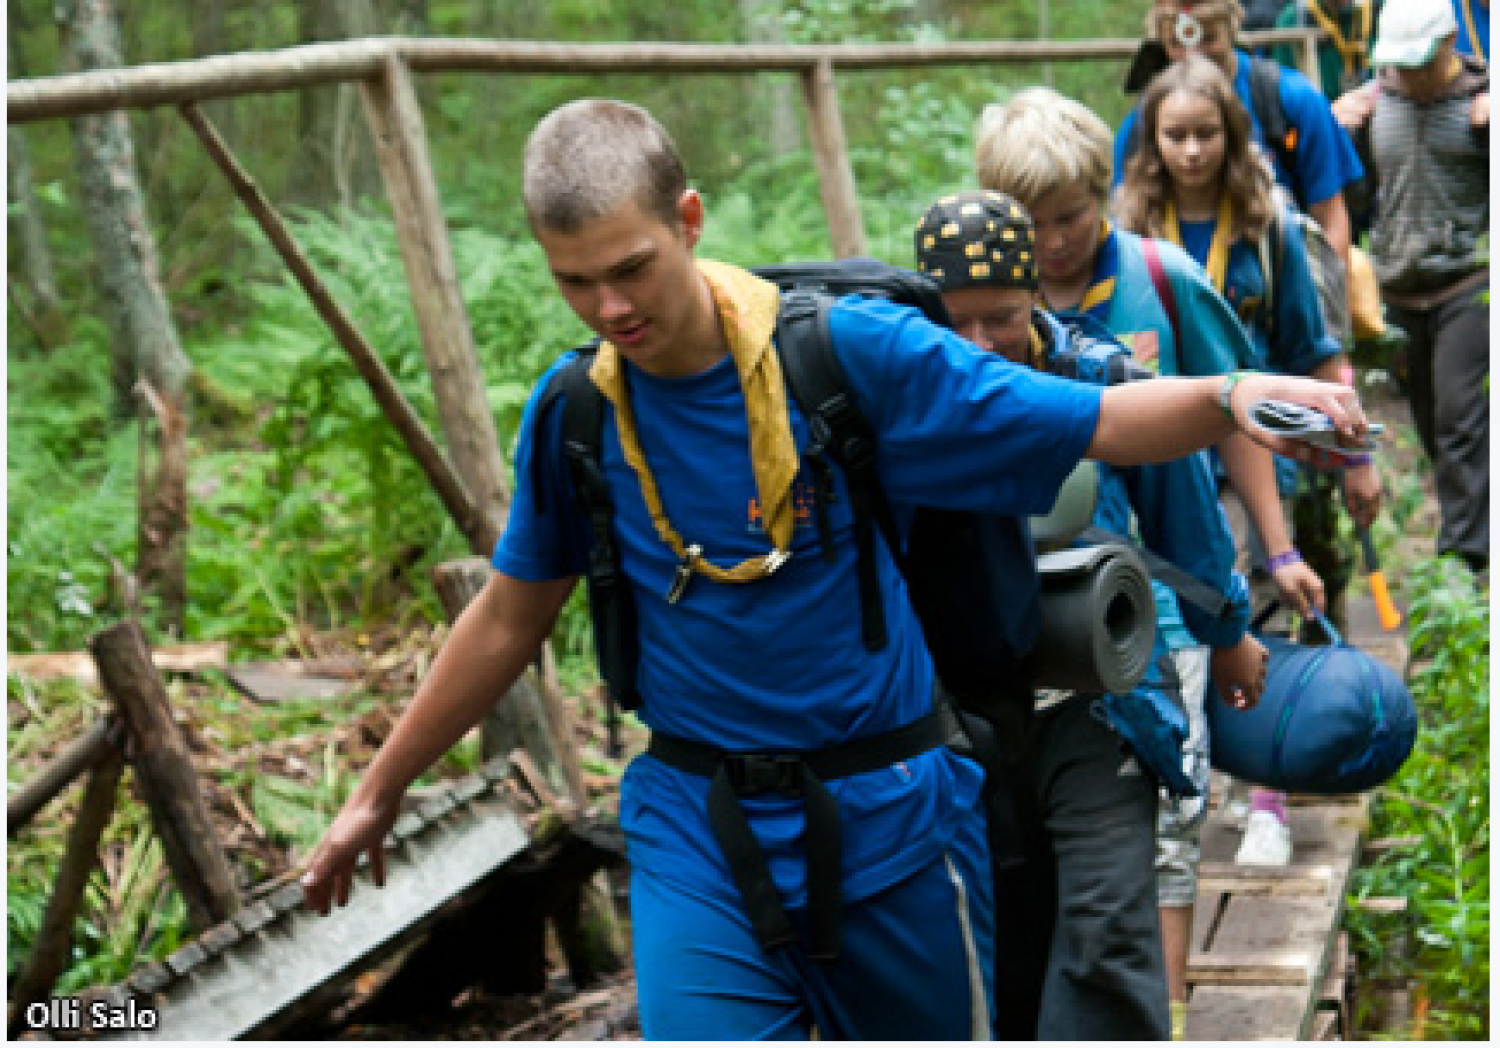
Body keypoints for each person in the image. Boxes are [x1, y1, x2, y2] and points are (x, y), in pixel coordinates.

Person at [299, 98, 1369, 1041]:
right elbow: (507, 614)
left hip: (893, 809)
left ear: (688, 221)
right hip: (698, 820)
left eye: (631, 270)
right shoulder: (577, 412)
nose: (611, 309)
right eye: (575, 282)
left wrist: (1232, 397)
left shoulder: (849, 357)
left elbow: (1091, 416)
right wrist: (378, 792)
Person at [914, 189, 1268, 1041]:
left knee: (1109, 928)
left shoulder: (1096, 376)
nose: (980, 345)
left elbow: (1184, 506)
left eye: (1001, 317)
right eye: (955, 321)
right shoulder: (908, 393)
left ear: (1035, 294)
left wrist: (1227, 633)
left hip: (1099, 701)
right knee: (1005, 938)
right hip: (960, 717)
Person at [1113, 53, 1387, 1020]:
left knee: (1275, 602)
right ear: (1149, 145)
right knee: (1197, 609)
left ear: (1232, 139)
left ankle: (1266, 795)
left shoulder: (1269, 231)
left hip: (1281, 445)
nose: (1189, 151)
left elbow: (1314, 342)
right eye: (1172, 136)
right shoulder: (1126, 236)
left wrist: (1350, 450)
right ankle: (1198, 779)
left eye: (1206, 135)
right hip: (1168, 456)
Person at [976, 87, 1325, 621]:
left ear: (1100, 192)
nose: (1052, 242)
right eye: (1031, 224)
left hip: (1166, 586)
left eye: (1069, 217)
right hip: (1034, 584)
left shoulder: (1163, 277)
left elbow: (1234, 410)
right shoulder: (986, 309)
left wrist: (1278, 550)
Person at [1333, 0, 1489, 576]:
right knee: (1429, 423)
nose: (1411, 77)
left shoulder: (1484, 99)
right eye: (1401, 65)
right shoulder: (1376, 104)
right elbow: (1350, 203)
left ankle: (1463, 568)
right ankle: (1465, 529)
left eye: (1421, 64)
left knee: (1459, 420)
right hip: (1399, 288)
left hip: (1466, 283)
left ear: (1450, 43)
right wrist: (1339, 135)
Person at [1116, 0, 1366, 269]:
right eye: (1178, 43)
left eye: (1209, 38)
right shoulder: (1141, 127)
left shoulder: (1292, 101)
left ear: (1232, 27)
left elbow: (1331, 219)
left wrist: (1327, 304)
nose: (1194, 55)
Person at [1270, 1, 1382, 98]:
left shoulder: (1377, 9)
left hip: (1374, 110)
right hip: (1319, 115)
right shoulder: (1294, 18)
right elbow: (1285, 86)